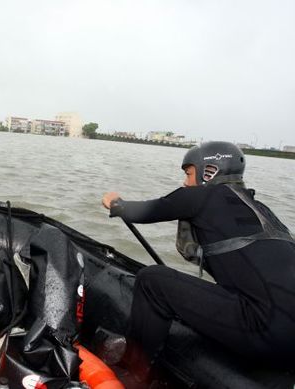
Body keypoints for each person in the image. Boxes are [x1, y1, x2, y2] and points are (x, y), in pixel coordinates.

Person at [101, 141, 295, 380]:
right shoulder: (264, 211)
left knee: (152, 280)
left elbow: (144, 211)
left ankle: (132, 374)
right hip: (288, 340)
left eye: (188, 173)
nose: (185, 182)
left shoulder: (203, 195)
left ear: (208, 172)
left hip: (263, 327)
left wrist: (114, 202)